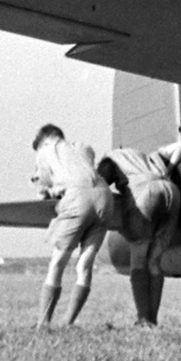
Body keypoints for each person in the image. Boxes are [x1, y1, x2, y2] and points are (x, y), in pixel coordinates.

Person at [31, 124, 115, 328]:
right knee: (84, 264)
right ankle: (68, 323)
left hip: (78, 198)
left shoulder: (45, 151)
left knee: (57, 263)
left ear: (44, 140)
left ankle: (43, 324)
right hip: (105, 198)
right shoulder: (83, 147)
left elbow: (43, 188)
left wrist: (46, 192)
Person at [98, 141, 181, 326]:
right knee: (154, 260)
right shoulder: (149, 155)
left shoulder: (110, 158)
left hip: (145, 193)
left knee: (138, 258)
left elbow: (99, 185)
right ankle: (152, 319)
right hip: (171, 190)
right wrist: (168, 171)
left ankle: (143, 318)